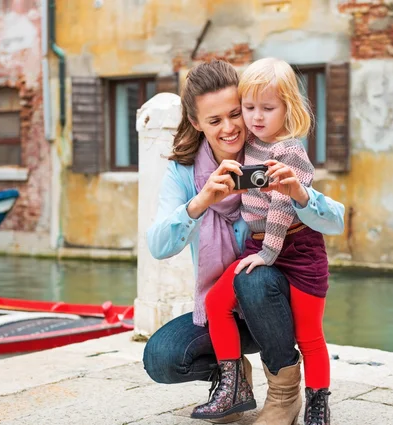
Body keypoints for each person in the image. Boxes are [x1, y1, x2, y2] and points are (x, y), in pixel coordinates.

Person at [144, 59, 345, 425]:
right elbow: (158, 246)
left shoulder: (272, 147)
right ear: (196, 123)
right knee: (163, 357)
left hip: (271, 296)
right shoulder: (185, 171)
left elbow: (335, 221)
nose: (231, 127)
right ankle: (234, 381)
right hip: (223, 306)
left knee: (253, 277)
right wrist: (200, 202)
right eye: (214, 120)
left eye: (236, 113)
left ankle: (285, 393)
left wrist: (301, 195)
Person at [192, 58, 333, 425]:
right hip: (260, 243)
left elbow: (283, 208)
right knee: (217, 301)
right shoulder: (250, 141)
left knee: (309, 334)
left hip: (297, 250)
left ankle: (317, 403)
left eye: (267, 108)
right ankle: (232, 384)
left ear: (288, 108)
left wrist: (269, 252)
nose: (255, 117)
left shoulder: (289, 153)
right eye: (249, 107)